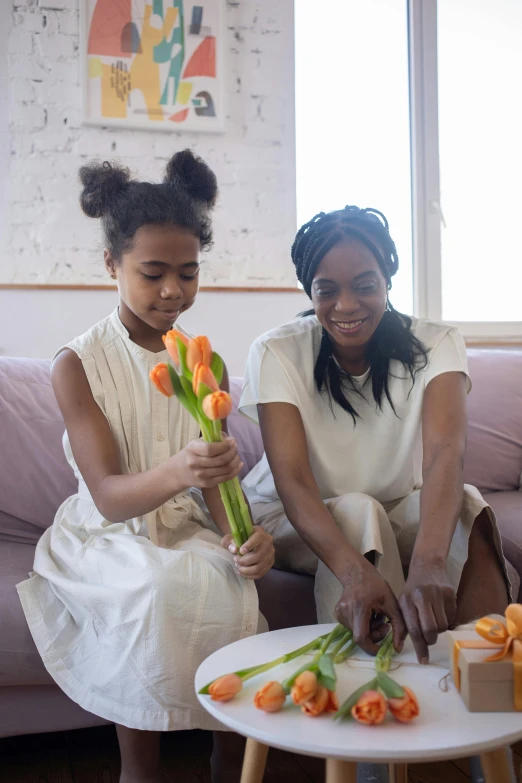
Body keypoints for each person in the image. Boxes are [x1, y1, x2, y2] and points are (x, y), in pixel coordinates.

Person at [17, 150, 274, 783]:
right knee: (155, 591)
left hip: (181, 520)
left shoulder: (201, 361)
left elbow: (216, 481)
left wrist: (244, 536)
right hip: (108, 533)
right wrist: (184, 470)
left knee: (229, 583)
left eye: (188, 274)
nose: (172, 291)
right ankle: (142, 770)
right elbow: (107, 496)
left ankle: (231, 759)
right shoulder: (76, 364)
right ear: (112, 264)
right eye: (152, 272)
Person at [239, 205, 511, 665]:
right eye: (327, 291)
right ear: (310, 291)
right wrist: (353, 574)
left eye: (365, 286)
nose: (346, 305)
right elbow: (293, 482)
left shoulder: (436, 343)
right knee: (358, 512)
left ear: (387, 281)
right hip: (287, 515)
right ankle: (374, 693)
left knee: (468, 505)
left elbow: (445, 453)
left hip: (392, 504)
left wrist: (428, 561)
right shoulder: (276, 351)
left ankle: (486, 683)